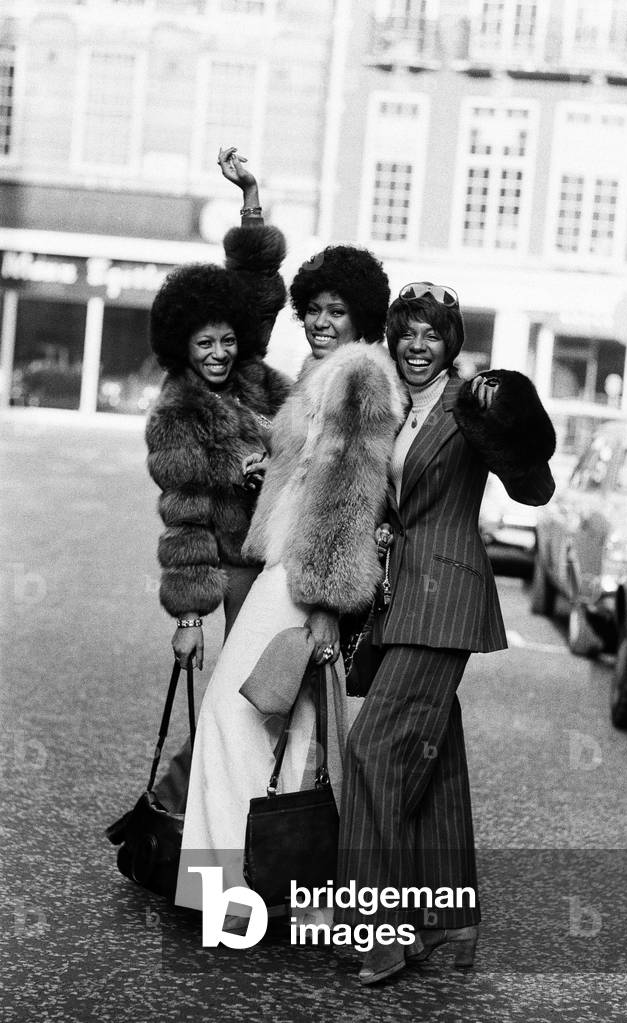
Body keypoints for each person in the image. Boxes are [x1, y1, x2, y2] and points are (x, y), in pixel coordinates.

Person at [175, 244, 406, 920]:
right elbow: (310, 476)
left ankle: (230, 890)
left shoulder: (358, 375)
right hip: (292, 565)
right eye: (313, 309)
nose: (320, 322)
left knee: (235, 713)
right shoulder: (325, 372)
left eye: (337, 310)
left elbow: (350, 496)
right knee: (290, 726)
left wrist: (326, 600)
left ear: (362, 316)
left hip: (303, 576)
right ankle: (277, 892)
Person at [335, 281, 556, 984]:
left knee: (371, 748)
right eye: (408, 332)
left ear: (451, 343)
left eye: (432, 334)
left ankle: (378, 930)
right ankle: (448, 919)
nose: (418, 345)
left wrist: (507, 420)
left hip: (446, 600)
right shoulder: (390, 406)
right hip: (398, 598)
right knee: (434, 763)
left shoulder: (468, 405)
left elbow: (536, 490)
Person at [108, 148, 291, 830]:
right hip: (242, 571)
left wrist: (250, 196)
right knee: (248, 699)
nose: (218, 353)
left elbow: (259, 288)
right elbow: (184, 519)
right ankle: (186, 811)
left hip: (285, 562)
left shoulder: (254, 375)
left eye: (225, 340)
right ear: (181, 346)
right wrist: (188, 619)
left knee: (271, 698)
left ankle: (227, 812)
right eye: (203, 343)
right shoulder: (178, 414)